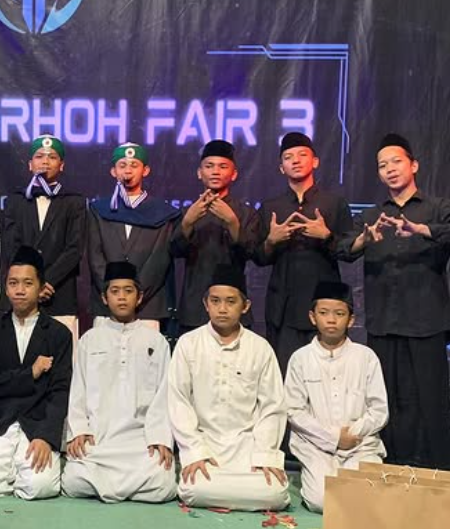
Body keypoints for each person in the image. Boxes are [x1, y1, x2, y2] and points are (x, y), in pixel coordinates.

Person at [339, 133, 450, 469]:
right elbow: (342, 249)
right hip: (384, 322)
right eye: (382, 165)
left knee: (431, 401)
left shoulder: (437, 208)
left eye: (396, 161)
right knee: (385, 401)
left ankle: (437, 474)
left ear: (414, 165)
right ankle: (386, 471)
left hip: (426, 321)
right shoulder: (372, 215)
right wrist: (364, 239)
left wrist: (421, 230)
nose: (389, 169)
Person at [168, 265, 289, 511]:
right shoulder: (188, 344)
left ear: (245, 306)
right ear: (206, 304)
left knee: (274, 493)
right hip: (205, 443)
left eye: (230, 301)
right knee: (194, 488)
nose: (222, 308)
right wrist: (195, 452)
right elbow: (178, 401)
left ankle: (226, 493)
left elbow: (272, 407)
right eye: (215, 301)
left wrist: (265, 455)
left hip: (247, 446)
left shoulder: (260, 347)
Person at [0, 246, 73, 500]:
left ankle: (16, 468)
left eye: (27, 283)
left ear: (41, 288)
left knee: (40, 487)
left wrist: (46, 436)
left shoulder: (58, 334)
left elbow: (60, 392)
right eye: (13, 283)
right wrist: (29, 375)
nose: (20, 290)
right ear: (6, 287)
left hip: (36, 423)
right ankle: (10, 467)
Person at [62, 261, 176, 503]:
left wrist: (159, 438)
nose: (122, 297)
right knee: (72, 480)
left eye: (128, 291)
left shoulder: (156, 341)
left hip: (140, 440)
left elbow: (164, 395)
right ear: (105, 298)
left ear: (139, 297)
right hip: (99, 439)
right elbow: (78, 390)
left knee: (164, 483)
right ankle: (130, 489)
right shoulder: (89, 340)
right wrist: (79, 430)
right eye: (115, 291)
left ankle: (106, 489)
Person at [254, 132, 353, 376]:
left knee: (327, 378)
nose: (295, 161)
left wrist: (326, 236)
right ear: (281, 168)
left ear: (315, 161)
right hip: (283, 308)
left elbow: (349, 252)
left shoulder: (334, 203)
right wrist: (271, 241)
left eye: (302, 155)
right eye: (288, 157)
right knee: (284, 376)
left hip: (324, 307)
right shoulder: (271, 207)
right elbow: (259, 258)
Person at [285, 281, 388, 513]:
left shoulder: (366, 357)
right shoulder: (300, 358)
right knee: (322, 501)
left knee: (363, 495)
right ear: (312, 317)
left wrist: (352, 434)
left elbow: (379, 410)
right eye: (324, 313)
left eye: (339, 314)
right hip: (316, 446)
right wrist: (333, 437)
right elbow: (294, 410)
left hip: (360, 446)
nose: (331, 320)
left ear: (351, 320)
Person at [87, 143, 181, 329]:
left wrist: (136, 294)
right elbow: (95, 256)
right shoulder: (99, 209)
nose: (128, 171)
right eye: (122, 165)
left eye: (134, 165)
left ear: (145, 170)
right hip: (106, 307)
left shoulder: (161, 212)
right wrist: (112, 292)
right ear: (113, 171)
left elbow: (159, 261)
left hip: (147, 305)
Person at [3, 135, 86, 344]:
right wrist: (31, 283)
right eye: (39, 156)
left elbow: (74, 248)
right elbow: (11, 246)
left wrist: (45, 282)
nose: (45, 162)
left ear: (62, 165)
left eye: (52, 157)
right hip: (23, 294)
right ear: (30, 164)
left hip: (59, 293)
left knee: (62, 356)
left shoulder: (73, 201)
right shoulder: (16, 201)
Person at [173, 139, 260, 334]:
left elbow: (252, 253)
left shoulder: (246, 213)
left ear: (234, 174)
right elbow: (175, 251)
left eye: (223, 166)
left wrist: (232, 222)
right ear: (199, 172)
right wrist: (187, 222)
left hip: (233, 304)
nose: (215, 171)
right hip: (194, 306)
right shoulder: (187, 212)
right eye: (209, 166)